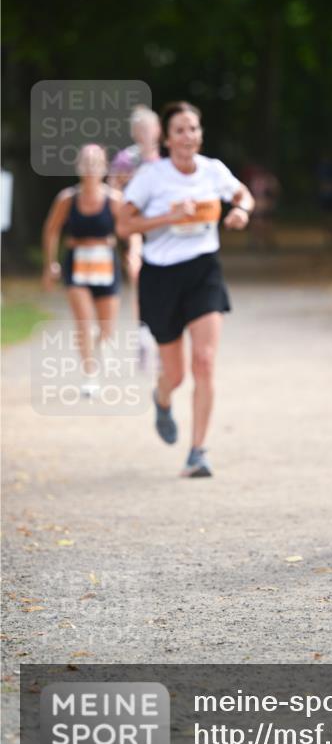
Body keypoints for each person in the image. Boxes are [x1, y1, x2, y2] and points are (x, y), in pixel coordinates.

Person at [116, 101, 254, 478]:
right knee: (175, 375)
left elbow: (243, 194)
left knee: (205, 361)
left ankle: (198, 451)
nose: (188, 136)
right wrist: (167, 217)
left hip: (203, 270)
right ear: (167, 137)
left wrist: (242, 210)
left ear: (200, 133)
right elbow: (125, 226)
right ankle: (162, 400)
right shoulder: (152, 176)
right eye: (179, 130)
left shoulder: (213, 170)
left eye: (193, 128)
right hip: (161, 277)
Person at [41, 144, 124, 395]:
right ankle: (90, 375)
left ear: (104, 167)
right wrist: (50, 264)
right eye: (85, 162)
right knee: (84, 322)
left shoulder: (114, 200)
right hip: (76, 264)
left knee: (107, 327)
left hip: (106, 264)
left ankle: (101, 344)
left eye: (95, 162)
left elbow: (129, 231)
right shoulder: (67, 199)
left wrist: (135, 254)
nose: (90, 167)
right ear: (78, 167)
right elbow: (51, 230)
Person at [109, 106, 162, 367]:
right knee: (137, 271)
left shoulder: (167, 159)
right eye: (138, 129)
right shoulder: (125, 159)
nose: (143, 134)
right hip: (137, 226)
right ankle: (143, 334)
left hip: (163, 226)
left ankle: (162, 336)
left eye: (147, 128)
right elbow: (113, 191)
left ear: (158, 130)